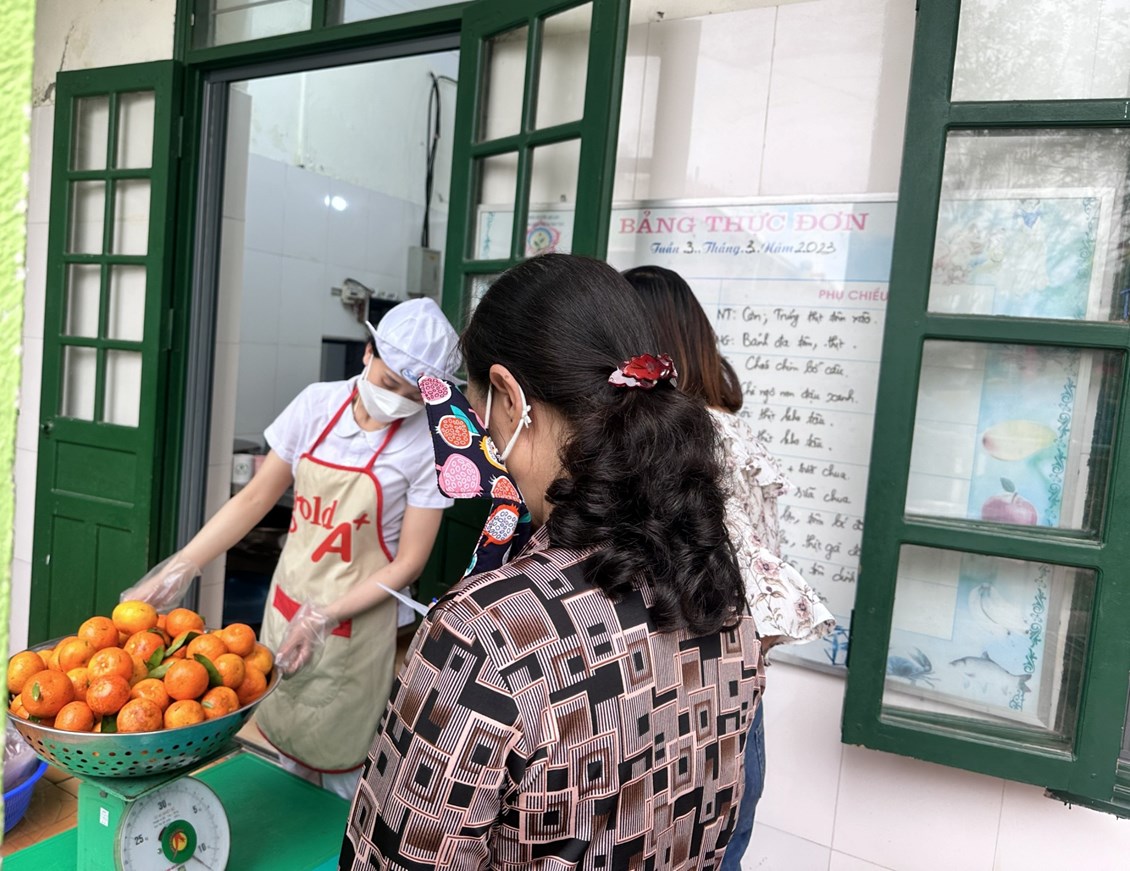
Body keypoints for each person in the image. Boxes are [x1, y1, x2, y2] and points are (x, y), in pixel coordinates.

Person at [339, 253, 765, 870]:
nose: (479, 431)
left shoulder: (486, 636)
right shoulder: (722, 593)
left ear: (509, 397)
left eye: (477, 407)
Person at [122, 298, 461, 799]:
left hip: (357, 623)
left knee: (344, 767)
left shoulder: (426, 444)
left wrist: (325, 615)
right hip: (288, 603)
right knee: (282, 748)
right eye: (389, 383)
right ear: (367, 353)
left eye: (413, 396)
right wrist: (185, 564)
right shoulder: (315, 405)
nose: (397, 401)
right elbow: (255, 498)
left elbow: (410, 561)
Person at [623, 265, 835, 870]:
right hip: (735, 696)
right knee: (717, 851)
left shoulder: (673, 442)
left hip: (677, 699)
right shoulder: (731, 434)